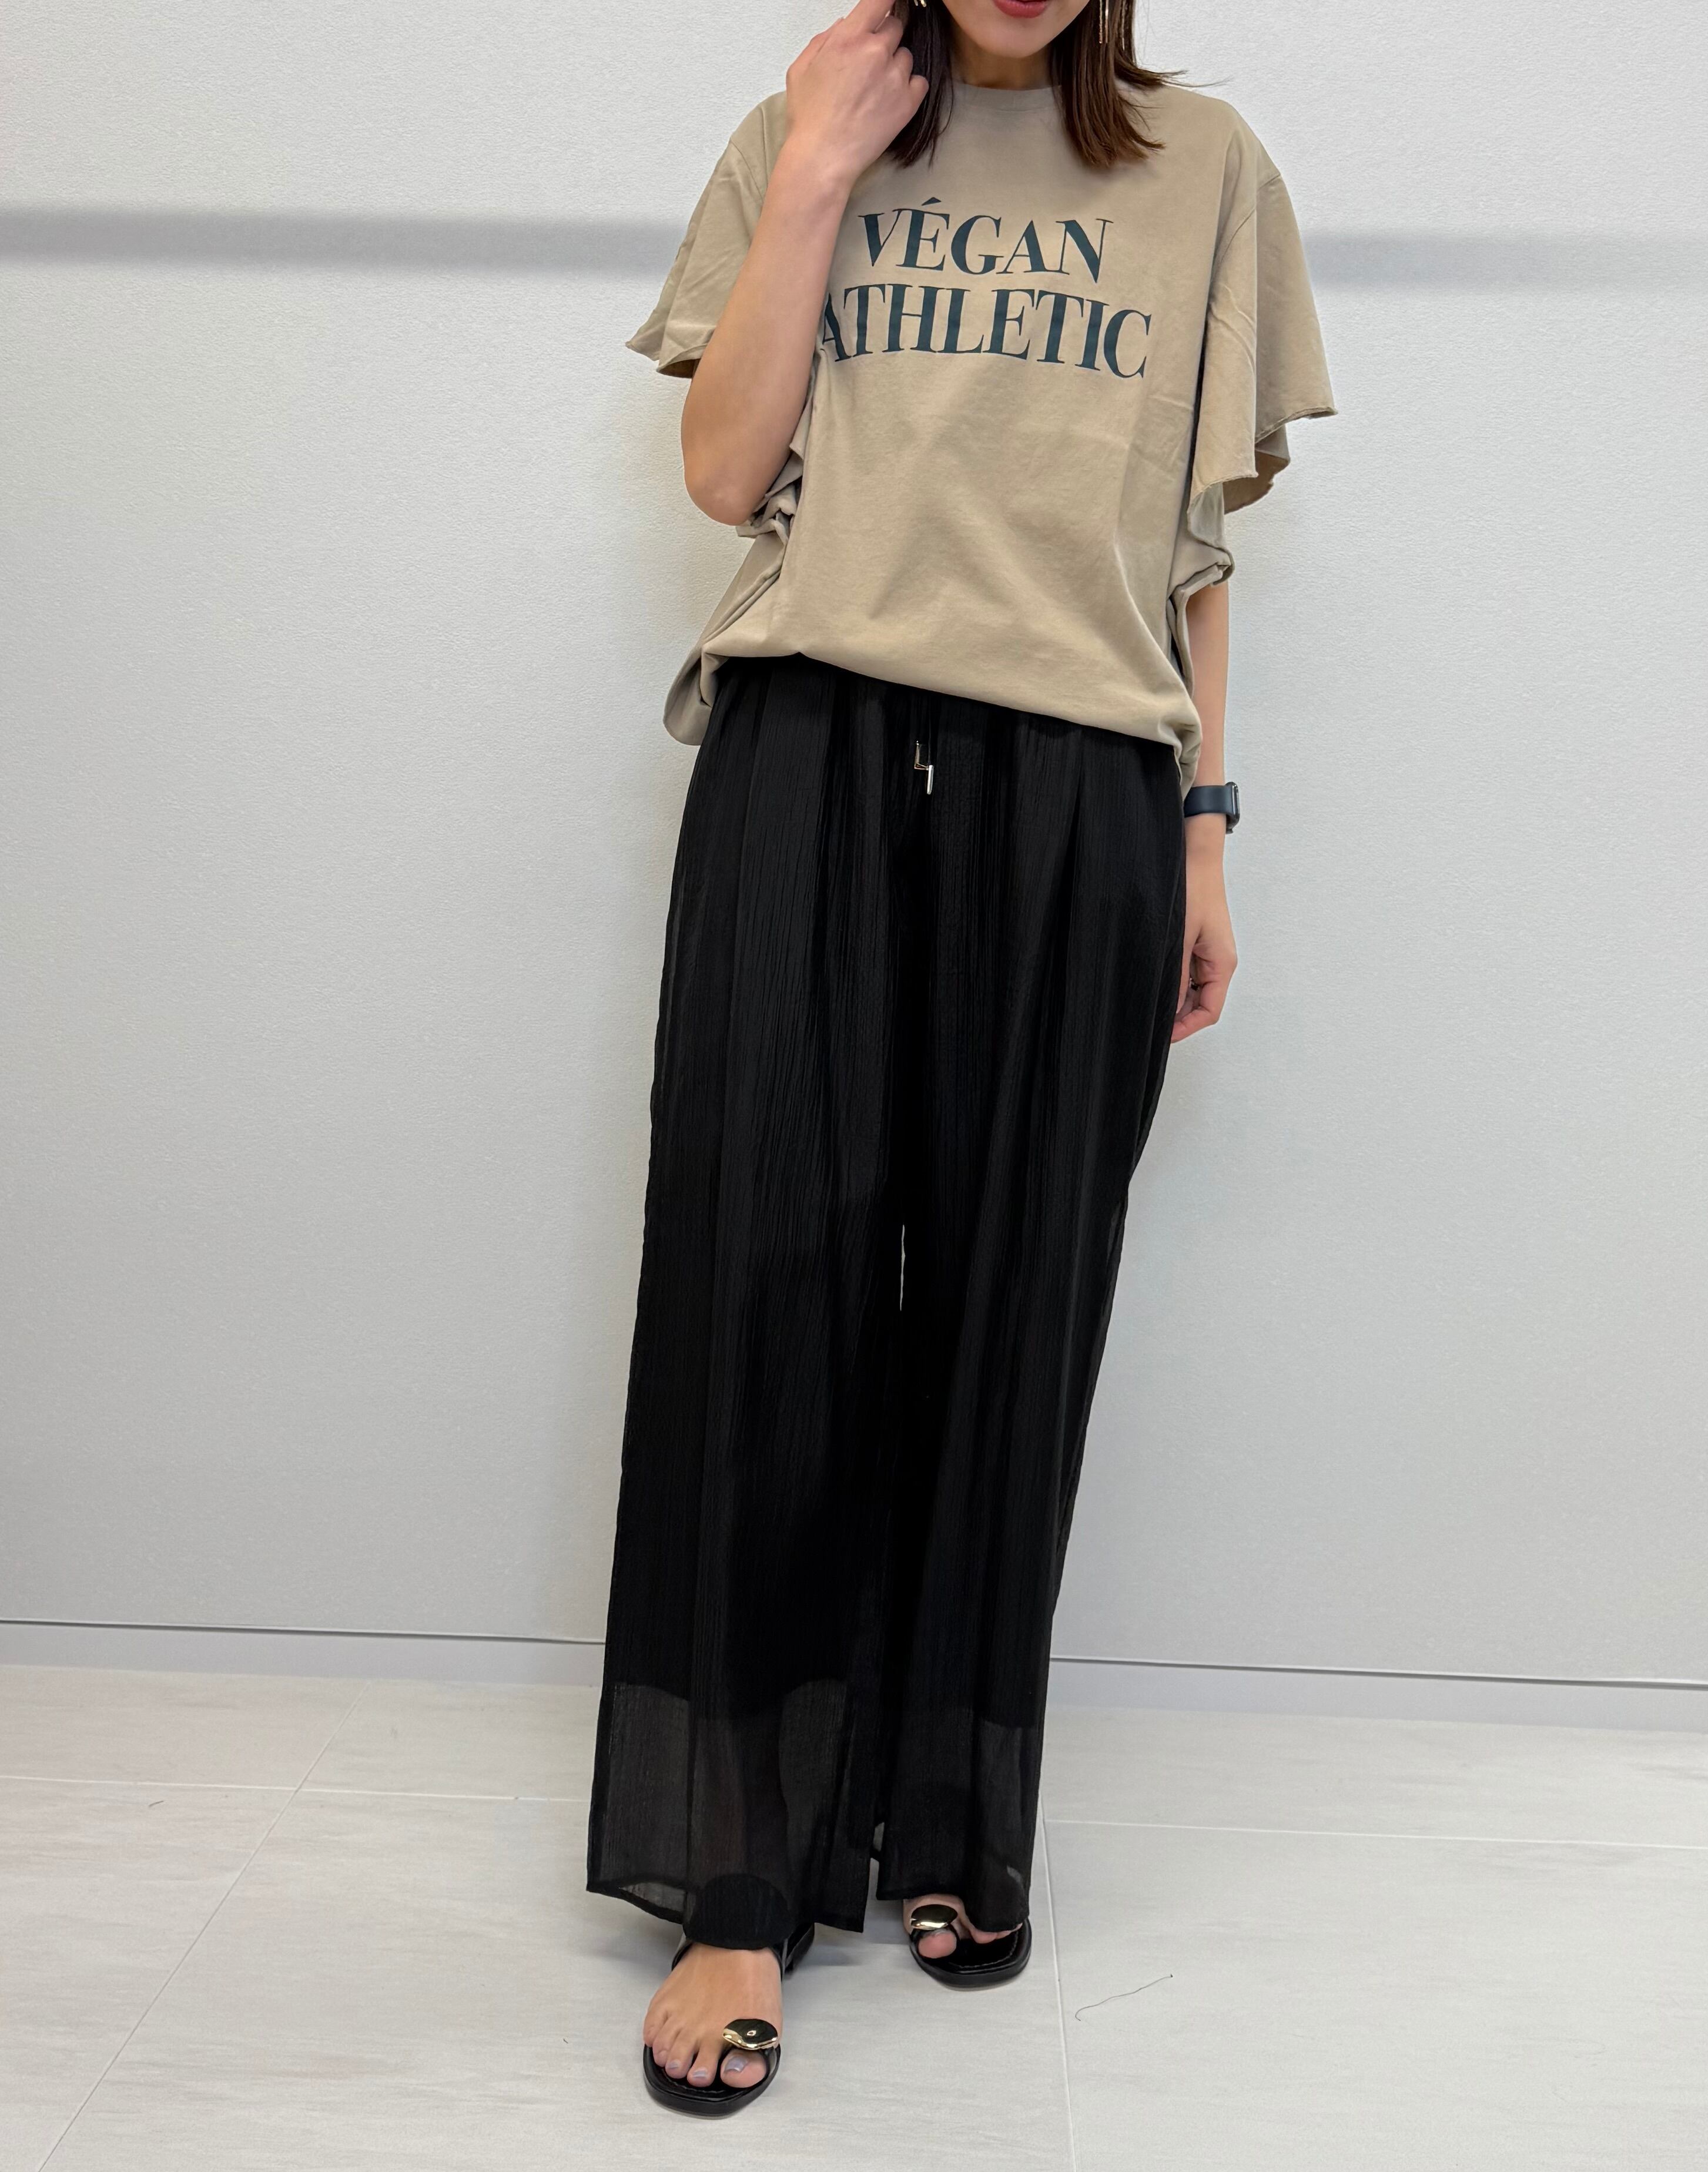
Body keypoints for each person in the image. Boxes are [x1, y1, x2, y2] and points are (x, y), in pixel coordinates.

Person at [587, 0, 1335, 2115]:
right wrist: (824, 168)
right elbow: (724, 472)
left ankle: (952, 1809)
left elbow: (1196, 543)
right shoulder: (803, 129)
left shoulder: (1206, 172)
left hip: (1082, 783)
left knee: (1015, 1306)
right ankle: (741, 1879)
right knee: (764, 1298)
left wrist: (1204, 828)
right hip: (809, 746)